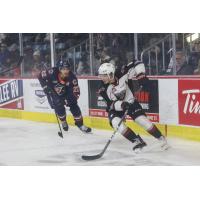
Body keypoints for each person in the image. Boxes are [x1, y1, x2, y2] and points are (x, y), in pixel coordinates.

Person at [98, 61, 169, 152]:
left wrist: (141, 75)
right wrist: (121, 105)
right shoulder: (103, 88)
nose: (102, 78)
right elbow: (110, 104)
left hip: (130, 101)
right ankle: (137, 141)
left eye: (104, 75)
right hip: (116, 108)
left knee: (142, 120)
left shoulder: (122, 72)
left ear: (110, 74)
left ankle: (161, 139)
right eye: (101, 75)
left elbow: (137, 62)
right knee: (116, 123)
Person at [38, 60, 92, 133]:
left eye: (67, 69)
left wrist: (68, 100)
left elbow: (76, 93)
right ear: (59, 69)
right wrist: (45, 87)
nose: (66, 71)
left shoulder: (72, 78)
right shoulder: (51, 72)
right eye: (63, 69)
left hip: (67, 93)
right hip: (54, 92)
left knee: (74, 106)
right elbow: (39, 76)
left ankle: (80, 125)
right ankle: (63, 121)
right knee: (58, 105)